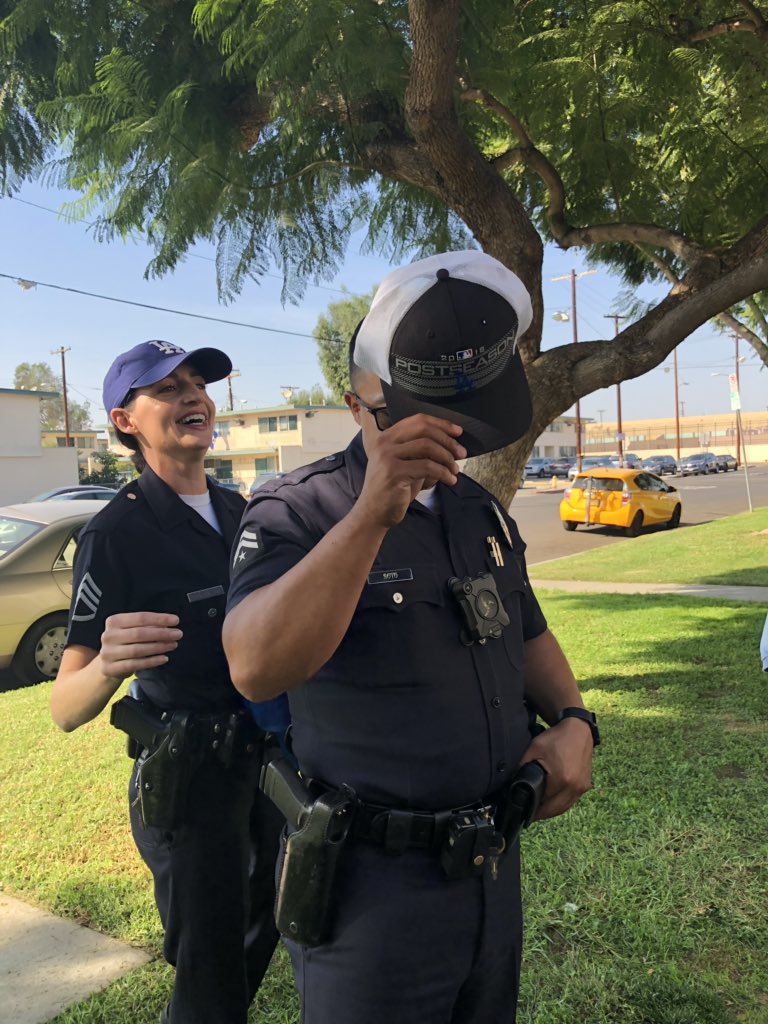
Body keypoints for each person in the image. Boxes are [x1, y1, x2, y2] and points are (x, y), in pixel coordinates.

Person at [223, 251, 598, 1024]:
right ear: (357, 404)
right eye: (418, 411)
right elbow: (254, 666)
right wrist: (371, 516)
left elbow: (527, 630)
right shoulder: (298, 509)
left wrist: (575, 720)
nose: (447, 432)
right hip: (371, 892)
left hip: (492, 864)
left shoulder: (477, 508)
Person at [51, 339, 283, 1024]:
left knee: (272, 917)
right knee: (208, 968)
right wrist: (107, 664)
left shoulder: (242, 512)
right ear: (125, 421)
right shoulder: (116, 533)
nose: (193, 397)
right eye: (167, 388)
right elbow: (64, 706)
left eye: (197, 384)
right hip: (191, 783)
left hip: (270, 766)